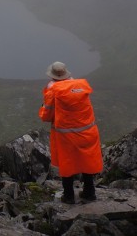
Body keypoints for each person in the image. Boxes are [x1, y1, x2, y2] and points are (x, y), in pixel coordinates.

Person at [38, 61, 103, 204]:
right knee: (87, 161)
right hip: (88, 132)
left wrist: (43, 106)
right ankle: (89, 192)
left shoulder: (53, 91)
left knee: (67, 163)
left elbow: (46, 116)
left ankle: (68, 196)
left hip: (66, 136)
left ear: (53, 76)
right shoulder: (80, 87)